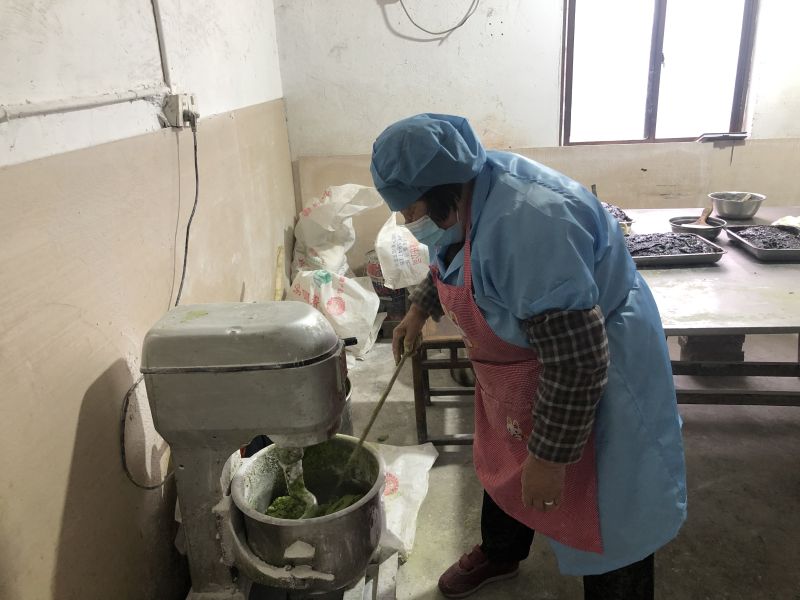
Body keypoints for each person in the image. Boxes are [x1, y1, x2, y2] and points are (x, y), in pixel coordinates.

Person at [369, 114, 687, 599]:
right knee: (506, 460)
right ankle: (501, 551)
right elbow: (451, 256)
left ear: (442, 191)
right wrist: (418, 309)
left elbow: (577, 361)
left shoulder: (530, 226)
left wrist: (550, 457)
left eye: (412, 210)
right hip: (520, 368)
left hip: (592, 362)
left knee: (611, 506)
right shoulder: (463, 191)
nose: (411, 223)